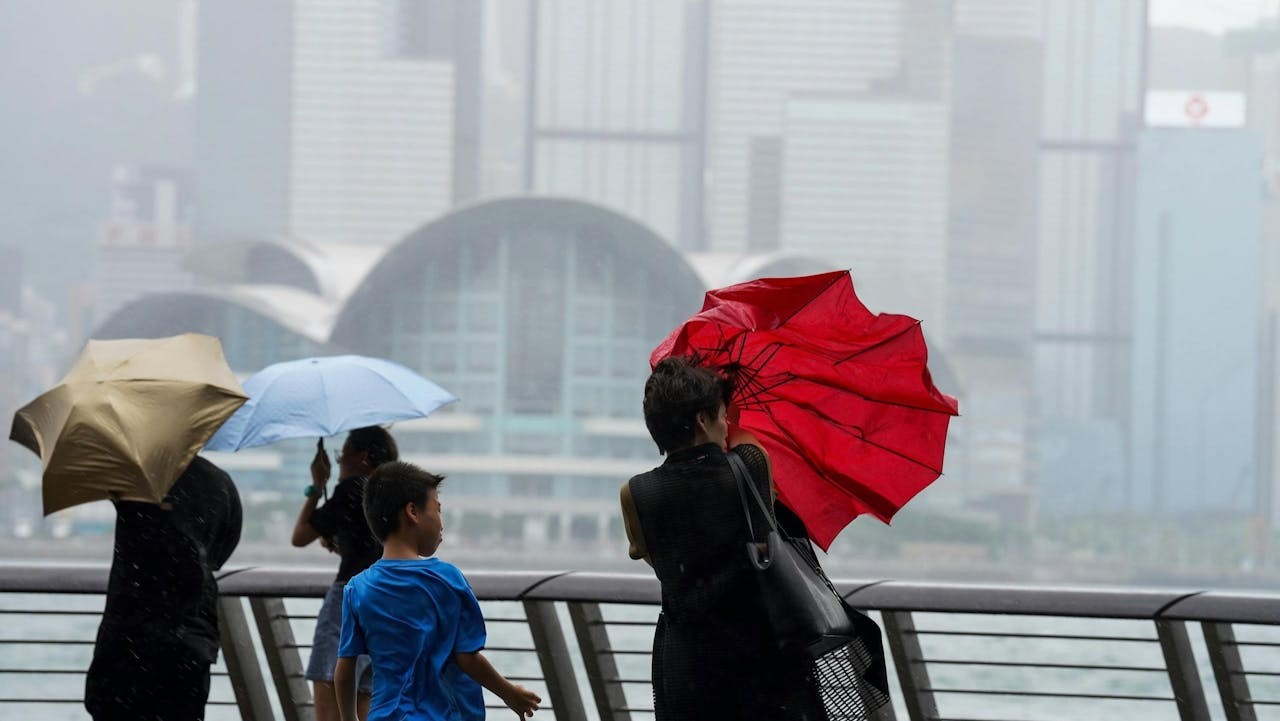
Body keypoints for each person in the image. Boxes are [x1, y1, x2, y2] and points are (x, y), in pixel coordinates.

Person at [619, 357, 825, 720]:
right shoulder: (749, 463)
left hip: (686, 662)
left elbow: (655, 557)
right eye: (721, 414)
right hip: (758, 654)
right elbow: (765, 539)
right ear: (702, 420)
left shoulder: (635, 492)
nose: (727, 424)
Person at [335, 460, 542, 721]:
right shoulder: (446, 579)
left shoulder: (357, 589)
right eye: (438, 510)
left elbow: (345, 668)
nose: (441, 524)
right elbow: (467, 657)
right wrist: (509, 693)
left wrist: (349, 719)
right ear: (413, 512)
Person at [85, 455, 243, 721]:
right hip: (190, 640)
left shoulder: (136, 480)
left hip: (131, 640)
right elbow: (220, 553)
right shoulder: (219, 482)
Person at [292, 426, 398, 721]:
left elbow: (299, 536)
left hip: (349, 604)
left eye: (343, 454)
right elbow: (373, 548)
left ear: (362, 457)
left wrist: (317, 485)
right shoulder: (391, 495)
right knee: (363, 707)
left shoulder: (352, 489)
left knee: (328, 698)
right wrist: (342, 542)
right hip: (386, 606)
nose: (339, 461)